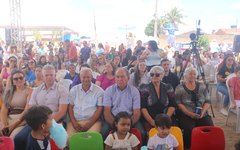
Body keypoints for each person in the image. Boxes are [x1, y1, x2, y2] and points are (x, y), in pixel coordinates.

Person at [14, 64, 69, 150]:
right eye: (46, 75)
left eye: (51, 75)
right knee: (18, 139)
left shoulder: (62, 90)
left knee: (34, 142)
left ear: (55, 76)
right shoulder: (37, 90)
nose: (49, 77)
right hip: (36, 123)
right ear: (42, 77)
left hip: (54, 122)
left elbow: (62, 112)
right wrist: (39, 124)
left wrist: (46, 124)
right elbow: (31, 109)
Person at [101, 68, 144, 141]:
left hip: (130, 118)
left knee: (142, 133)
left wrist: (128, 125)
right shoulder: (109, 90)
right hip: (113, 118)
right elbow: (106, 112)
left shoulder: (134, 91)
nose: (120, 79)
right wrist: (116, 126)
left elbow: (136, 112)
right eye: (117, 77)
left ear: (128, 78)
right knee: (103, 133)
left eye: (122, 76)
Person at [175, 67, 214, 149]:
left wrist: (203, 112)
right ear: (185, 75)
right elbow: (178, 103)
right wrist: (190, 114)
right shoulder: (180, 87)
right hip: (186, 113)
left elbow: (207, 101)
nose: (192, 76)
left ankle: (205, 145)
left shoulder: (202, 86)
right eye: (190, 73)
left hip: (202, 113)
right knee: (189, 129)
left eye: (194, 74)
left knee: (209, 127)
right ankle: (188, 147)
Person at [67, 68, 104, 136]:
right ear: (80, 78)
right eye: (83, 77)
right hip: (76, 121)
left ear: (92, 77)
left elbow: (100, 109)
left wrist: (89, 124)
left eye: (88, 77)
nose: (86, 79)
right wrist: (74, 123)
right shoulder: (74, 90)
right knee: (69, 139)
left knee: (90, 138)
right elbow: (70, 107)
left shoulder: (99, 91)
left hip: (93, 122)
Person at [140, 66, 176, 132]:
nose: (154, 76)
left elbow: (172, 105)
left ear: (162, 76)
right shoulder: (144, 88)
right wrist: (152, 122)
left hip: (166, 118)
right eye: (152, 74)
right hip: (150, 119)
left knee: (171, 132)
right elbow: (143, 108)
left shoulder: (168, 87)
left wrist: (165, 119)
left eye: (157, 75)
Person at [0, 70, 32, 138]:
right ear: (13, 81)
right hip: (9, 118)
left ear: (24, 79)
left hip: (22, 120)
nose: (19, 80)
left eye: (21, 78)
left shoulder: (30, 91)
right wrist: (4, 125)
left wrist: (13, 126)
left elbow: (27, 110)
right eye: (16, 79)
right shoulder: (9, 92)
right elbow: (3, 110)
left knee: (13, 137)